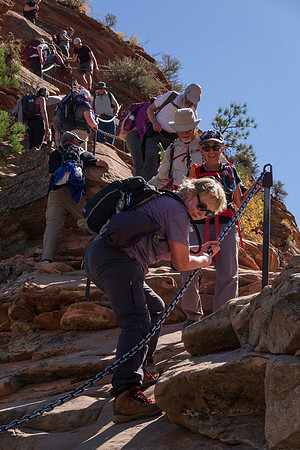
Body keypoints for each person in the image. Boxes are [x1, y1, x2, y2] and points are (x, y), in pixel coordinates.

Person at [84, 176, 226, 423]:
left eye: (208, 213)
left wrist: (198, 253)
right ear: (190, 192)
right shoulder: (176, 210)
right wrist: (205, 260)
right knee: (136, 321)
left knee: (155, 307)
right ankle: (126, 394)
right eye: (202, 206)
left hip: (103, 258)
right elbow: (181, 264)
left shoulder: (166, 205)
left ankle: (138, 369)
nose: (202, 213)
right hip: (116, 261)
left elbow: (167, 254)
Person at [181, 129, 258, 326]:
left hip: (226, 223)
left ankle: (221, 317)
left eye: (215, 146)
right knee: (188, 268)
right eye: (207, 147)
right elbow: (187, 197)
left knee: (229, 272)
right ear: (202, 150)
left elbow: (238, 201)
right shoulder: (195, 172)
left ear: (221, 148)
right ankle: (192, 315)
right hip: (198, 224)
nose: (212, 150)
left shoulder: (230, 171)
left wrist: (255, 188)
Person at [40, 131, 109, 263]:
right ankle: (104, 251)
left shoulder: (55, 153)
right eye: (79, 141)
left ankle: (46, 259)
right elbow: (101, 163)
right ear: (75, 141)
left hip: (56, 193)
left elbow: (51, 176)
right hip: (75, 194)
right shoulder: (81, 152)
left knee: (52, 225)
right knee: (89, 221)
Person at [142, 83, 202, 181]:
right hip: (156, 133)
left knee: (170, 164)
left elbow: (193, 130)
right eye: (188, 98)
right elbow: (150, 109)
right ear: (185, 93)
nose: (189, 101)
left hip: (173, 140)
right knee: (151, 154)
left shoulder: (192, 112)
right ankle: (145, 185)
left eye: (193, 100)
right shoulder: (171, 96)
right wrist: (155, 123)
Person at [148, 108, 204, 190]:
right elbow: (162, 178)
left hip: (201, 194)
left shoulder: (206, 146)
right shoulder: (172, 149)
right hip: (179, 195)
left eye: (188, 129)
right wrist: (145, 187)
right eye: (181, 130)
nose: (184, 133)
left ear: (194, 128)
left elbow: (222, 168)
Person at [126, 98, 156, 176]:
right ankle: (138, 186)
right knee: (139, 163)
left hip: (138, 136)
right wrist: (144, 138)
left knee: (144, 163)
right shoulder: (147, 106)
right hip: (135, 135)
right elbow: (140, 122)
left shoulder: (151, 108)